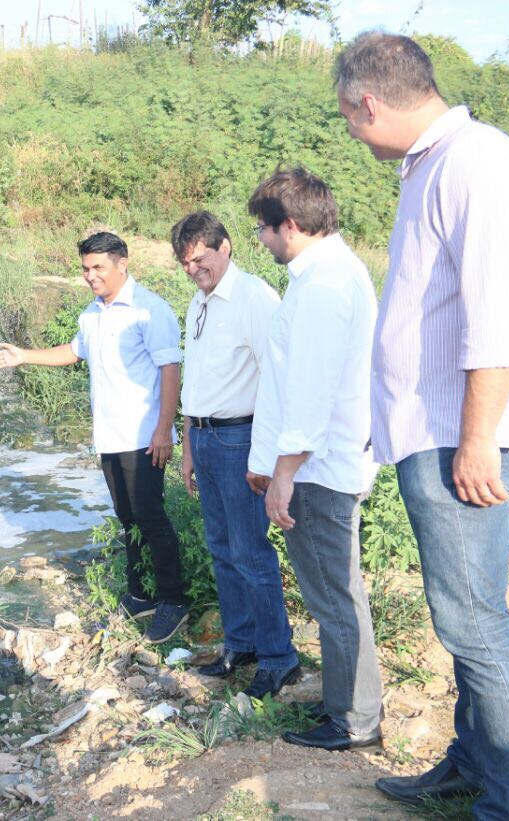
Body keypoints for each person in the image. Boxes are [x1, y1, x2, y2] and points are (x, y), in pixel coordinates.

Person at [335, 32, 509, 817]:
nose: (353, 133)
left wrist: (479, 436)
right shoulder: (434, 165)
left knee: (477, 620)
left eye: (349, 118)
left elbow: (499, 316)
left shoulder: (477, 161)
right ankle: (474, 760)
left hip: (461, 434)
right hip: (434, 429)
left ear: (369, 101)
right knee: (463, 615)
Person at [0, 231, 189, 643]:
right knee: (128, 519)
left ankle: (174, 599)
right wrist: (24, 355)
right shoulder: (91, 314)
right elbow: (74, 351)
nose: (90, 276)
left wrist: (162, 431)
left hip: (143, 435)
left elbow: (170, 370)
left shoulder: (150, 310)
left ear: (122, 263)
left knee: (151, 518)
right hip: (109, 437)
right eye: (85, 269)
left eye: (98, 267)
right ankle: (140, 594)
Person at [245, 168, 383, 750]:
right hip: (316, 464)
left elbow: (310, 393)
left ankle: (354, 721)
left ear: (292, 226)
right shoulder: (322, 275)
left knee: (334, 597)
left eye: (264, 229)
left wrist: (282, 474)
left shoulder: (326, 284)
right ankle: (351, 710)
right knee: (335, 594)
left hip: (318, 470)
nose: (260, 240)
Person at [171, 211, 299, 698]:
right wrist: (187, 444)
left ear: (225, 247)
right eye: (185, 262)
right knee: (221, 549)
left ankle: (279, 658)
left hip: (242, 440)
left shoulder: (255, 298)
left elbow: (277, 379)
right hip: (204, 438)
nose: (193, 269)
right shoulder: (197, 302)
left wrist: (264, 457)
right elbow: (197, 378)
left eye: (200, 258)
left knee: (251, 552)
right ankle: (240, 643)